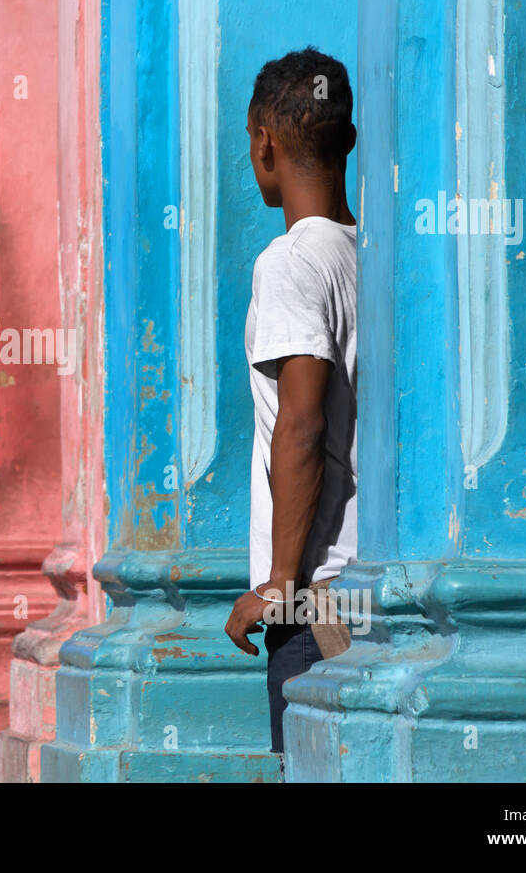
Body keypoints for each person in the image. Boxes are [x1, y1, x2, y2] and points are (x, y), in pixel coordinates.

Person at [222, 47, 358, 756]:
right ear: (350, 139)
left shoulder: (290, 263)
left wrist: (278, 585)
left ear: (264, 141)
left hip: (315, 598)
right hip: (368, 588)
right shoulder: (370, 254)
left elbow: (301, 425)